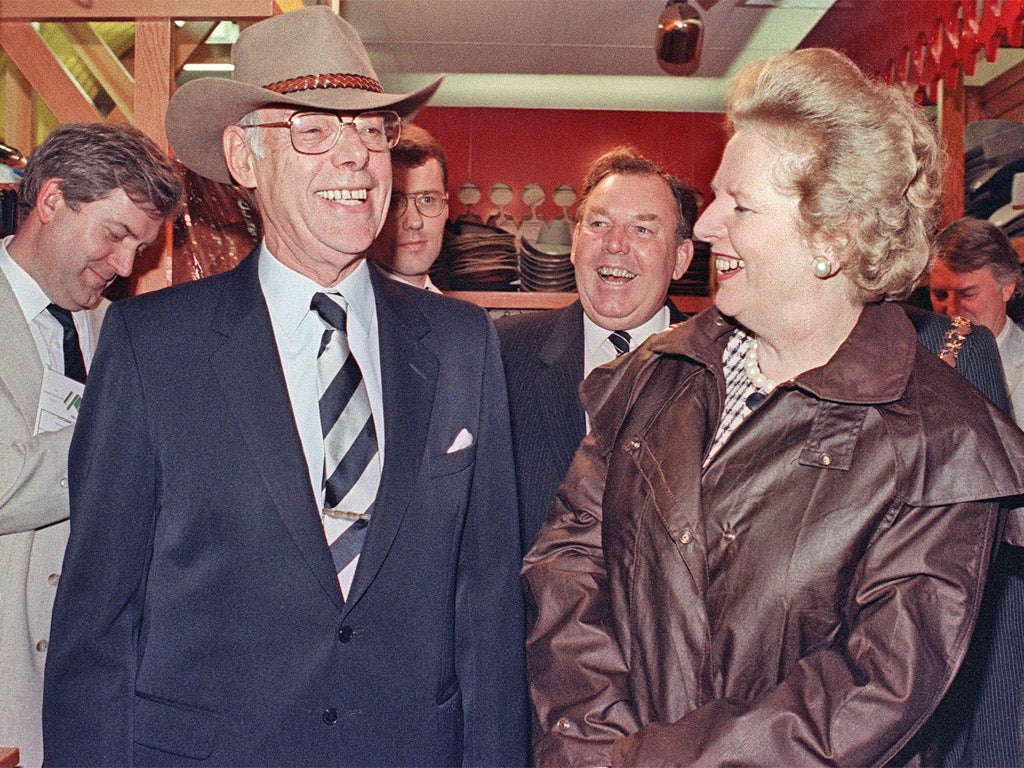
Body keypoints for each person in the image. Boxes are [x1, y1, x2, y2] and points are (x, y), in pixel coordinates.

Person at [42, 8, 528, 767]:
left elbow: (488, 604)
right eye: (313, 129)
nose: (355, 157)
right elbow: (98, 622)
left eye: (373, 131)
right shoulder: (152, 345)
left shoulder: (462, 344)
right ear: (244, 155)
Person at [521, 47, 1024, 767]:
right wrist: (594, 748)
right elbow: (567, 570)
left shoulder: (942, 441)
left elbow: (873, 691)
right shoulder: (651, 375)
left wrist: (647, 762)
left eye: (741, 205)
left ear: (832, 238)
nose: (706, 226)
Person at [0, 122, 182, 768]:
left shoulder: (120, 335)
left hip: (96, 710)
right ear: (51, 202)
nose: (128, 265)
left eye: (142, 244)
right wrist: (133, 431)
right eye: (116, 234)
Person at [496, 146, 696, 550]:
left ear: (681, 258)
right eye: (599, 223)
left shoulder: (722, 368)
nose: (616, 245)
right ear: (574, 244)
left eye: (643, 229)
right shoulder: (501, 356)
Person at [930, 216, 1024, 423]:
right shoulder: (916, 356)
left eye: (967, 294)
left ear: (1007, 287)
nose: (952, 310)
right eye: (940, 295)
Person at [368, 123, 448, 292]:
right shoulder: (353, 315)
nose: (414, 222)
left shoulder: (457, 314)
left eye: (427, 199)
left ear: (447, 207)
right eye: (394, 203)